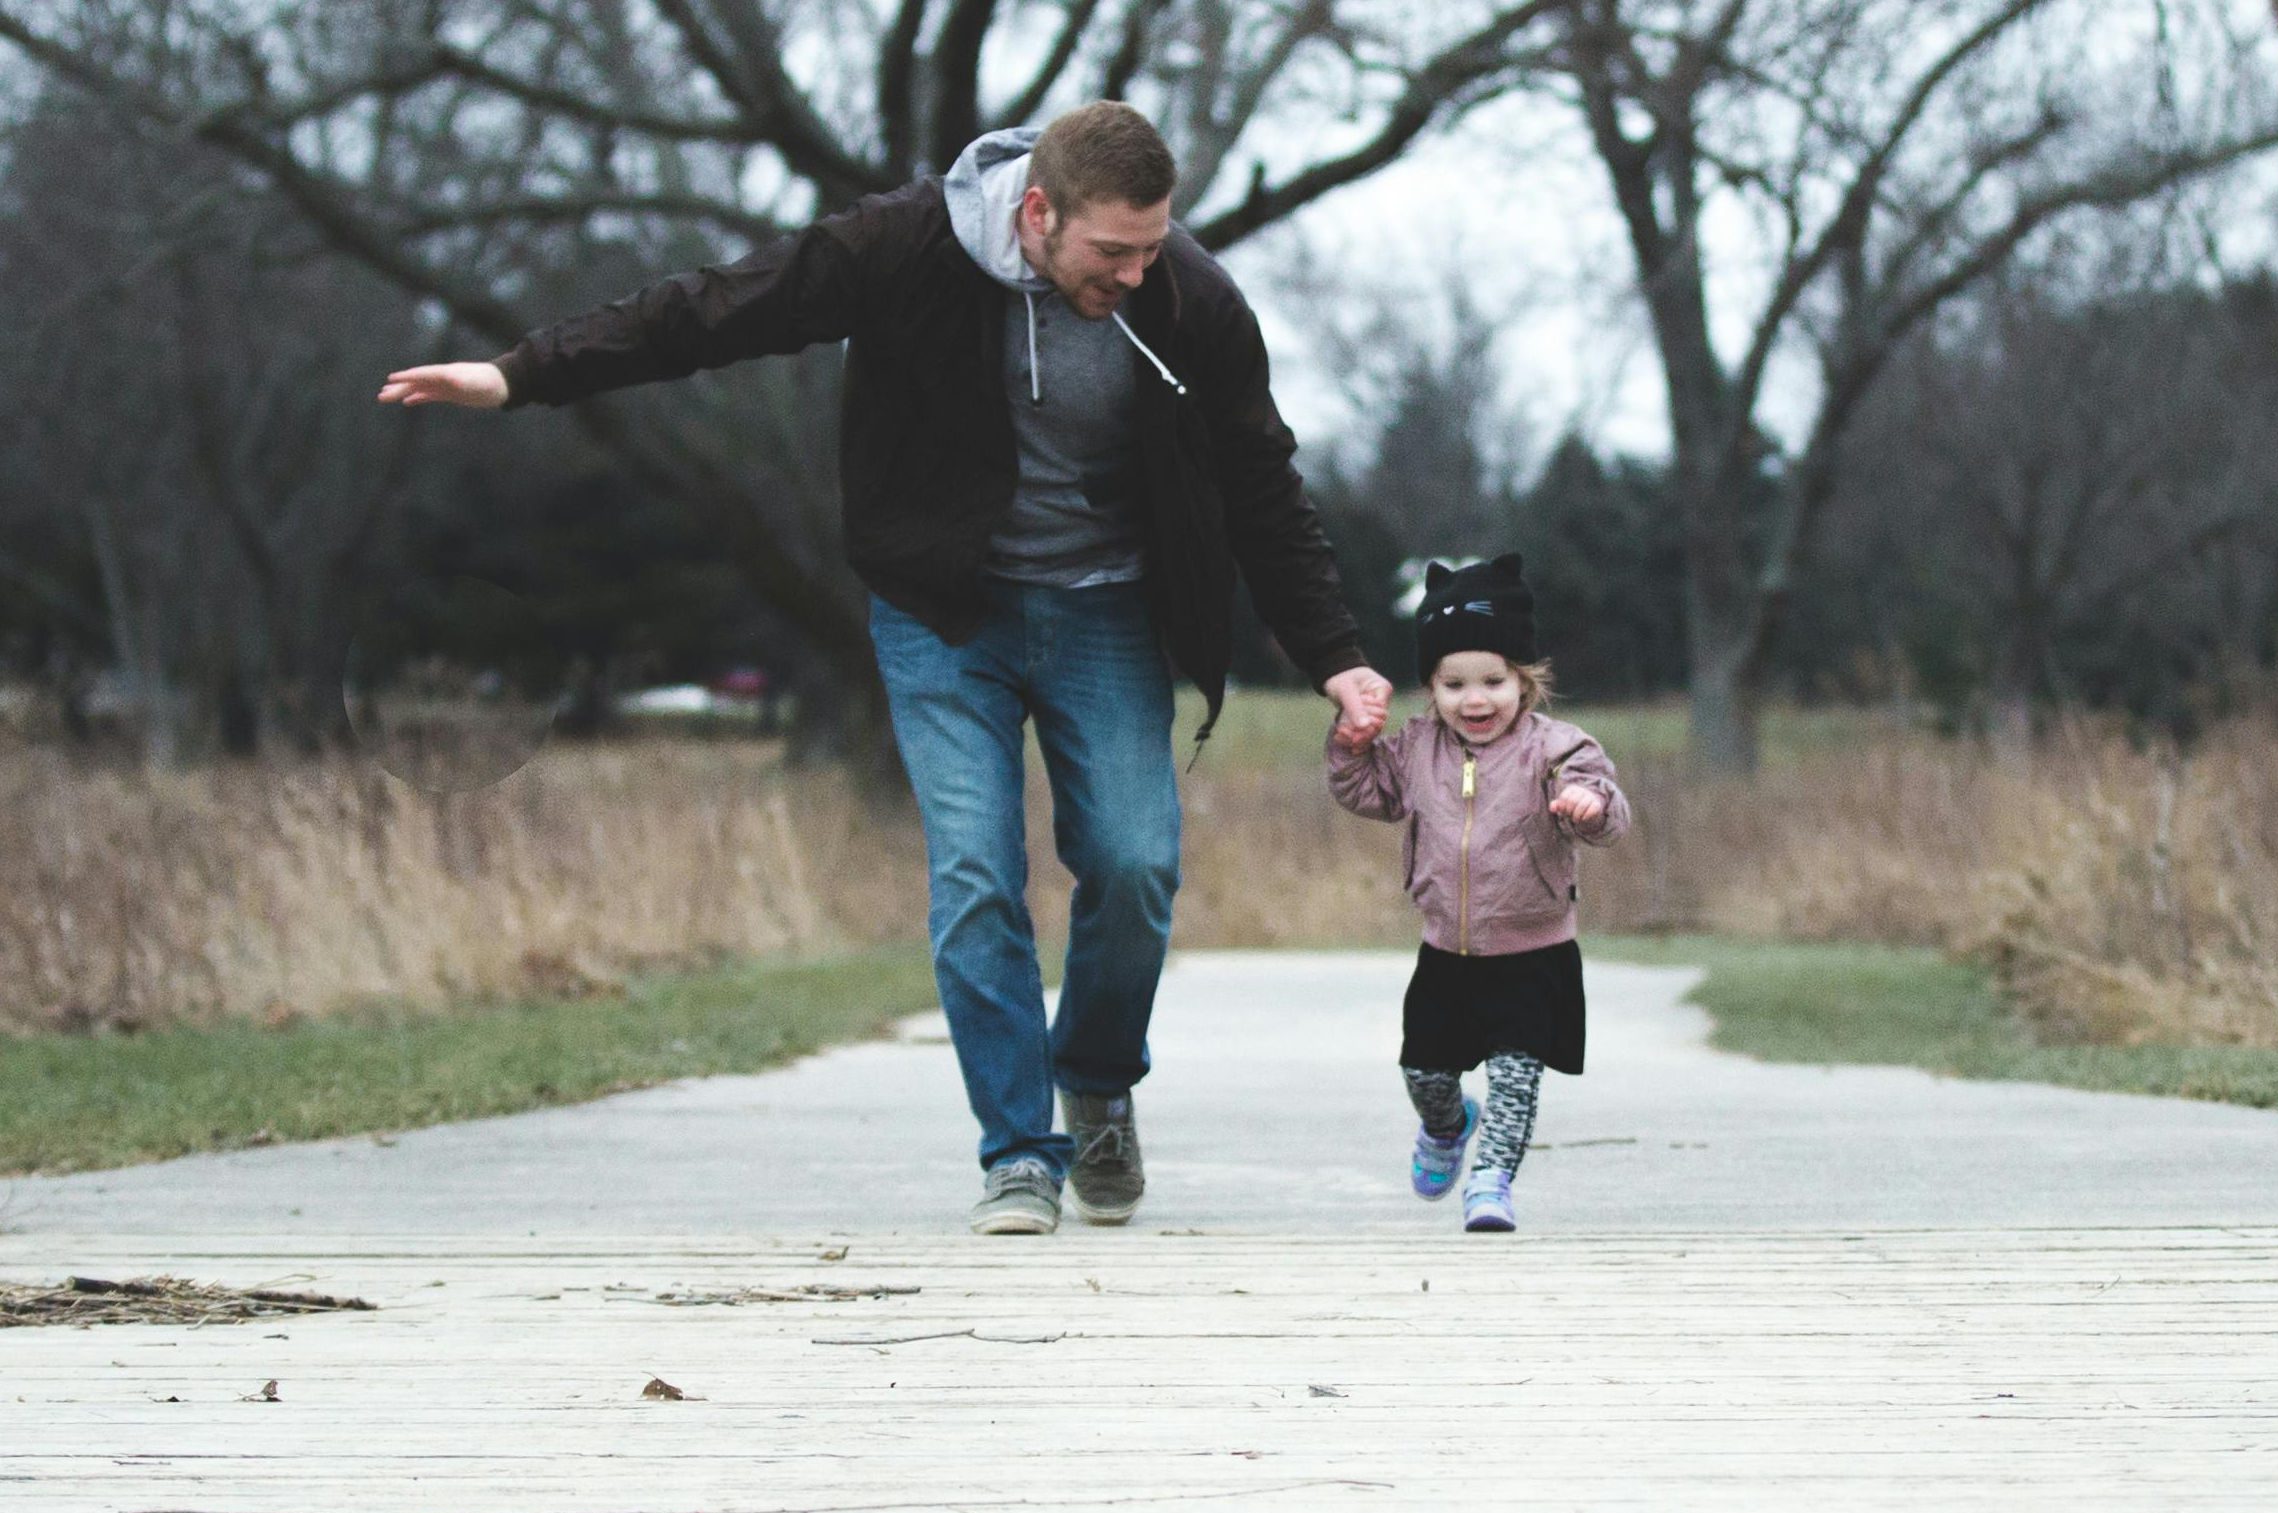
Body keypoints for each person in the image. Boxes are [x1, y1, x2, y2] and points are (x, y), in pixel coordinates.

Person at [379, 102, 1394, 1235]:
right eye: (1113, 251)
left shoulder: (1188, 297)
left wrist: (1337, 660)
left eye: (1153, 244)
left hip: (1104, 609)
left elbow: (1263, 482)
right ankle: (1019, 1150)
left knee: (1136, 863)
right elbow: (719, 309)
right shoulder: (904, 245)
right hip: (941, 610)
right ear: (1038, 210)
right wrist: (520, 375)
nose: (1135, 271)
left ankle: (1098, 1078)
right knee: (974, 875)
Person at [1326, 554, 1630, 1232]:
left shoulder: (1556, 749)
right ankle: (1448, 1123)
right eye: (1453, 683)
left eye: (1493, 680)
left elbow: (1610, 808)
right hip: (1446, 953)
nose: (1475, 699)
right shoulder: (1413, 749)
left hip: (1533, 953)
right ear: (1430, 688)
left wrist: (1589, 803)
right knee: (1424, 1074)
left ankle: (1490, 1183)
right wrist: (1349, 747)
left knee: (1516, 1081)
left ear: (1523, 679)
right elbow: (1363, 792)